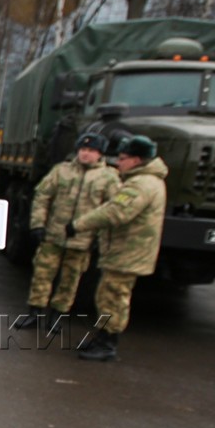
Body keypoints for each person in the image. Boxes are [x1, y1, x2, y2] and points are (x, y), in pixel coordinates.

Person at [65, 134, 168, 362]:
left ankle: (107, 342)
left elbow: (116, 211)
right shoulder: (146, 180)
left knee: (113, 296)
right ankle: (103, 336)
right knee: (108, 294)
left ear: (136, 159)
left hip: (128, 252)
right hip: (127, 250)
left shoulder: (141, 184)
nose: (118, 163)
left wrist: (79, 225)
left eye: (122, 158)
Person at [13, 131, 120, 333]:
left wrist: (101, 238)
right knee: (42, 274)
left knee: (70, 280)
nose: (85, 154)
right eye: (82, 149)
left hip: (83, 240)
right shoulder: (61, 171)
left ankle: (56, 316)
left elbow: (110, 211)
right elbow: (42, 197)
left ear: (100, 154)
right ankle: (34, 313)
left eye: (91, 150)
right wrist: (38, 225)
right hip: (53, 235)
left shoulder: (109, 178)